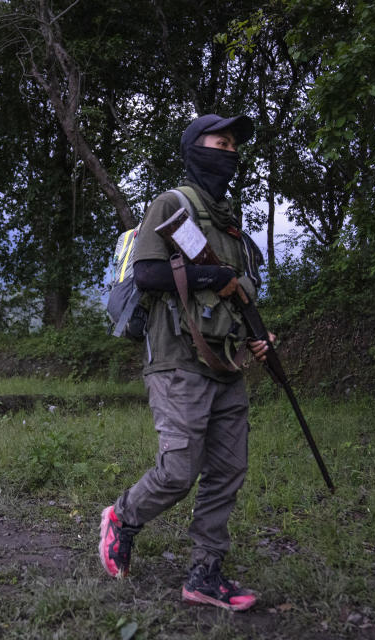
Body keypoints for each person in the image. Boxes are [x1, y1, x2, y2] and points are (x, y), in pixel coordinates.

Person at [97, 114, 273, 612]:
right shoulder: (172, 204)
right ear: (197, 147)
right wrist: (211, 276)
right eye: (222, 142)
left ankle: (205, 572)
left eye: (235, 144)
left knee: (227, 469)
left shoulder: (231, 226)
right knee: (179, 469)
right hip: (176, 360)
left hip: (225, 363)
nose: (230, 151)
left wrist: (259, 337)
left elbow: (241, 298)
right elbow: (149, 273)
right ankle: (123, 518)